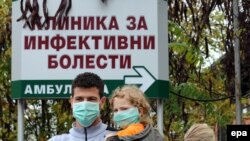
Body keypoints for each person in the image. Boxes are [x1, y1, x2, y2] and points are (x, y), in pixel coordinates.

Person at [49, 72, 116, 141]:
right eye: (79, 99)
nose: (85, 104)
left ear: (102, 102)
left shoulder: (119, 138)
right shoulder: (57, 139)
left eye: (91, 99)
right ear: (71, 102)